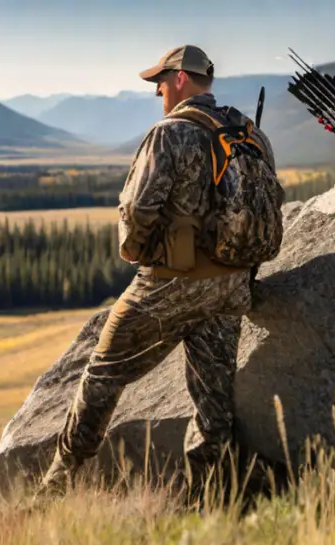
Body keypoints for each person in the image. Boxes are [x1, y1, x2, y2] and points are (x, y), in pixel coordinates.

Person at [34, 45, 281, 504]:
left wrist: (137, 252)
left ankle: (55, 487)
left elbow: (138, 208)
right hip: (231, 287)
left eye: (161, 84)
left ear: (181, 79)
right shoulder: (248, 132)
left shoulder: (171, 133)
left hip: (172, 283)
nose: (158, 93)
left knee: (101, 373)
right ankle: (212, 500)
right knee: (214, 401)